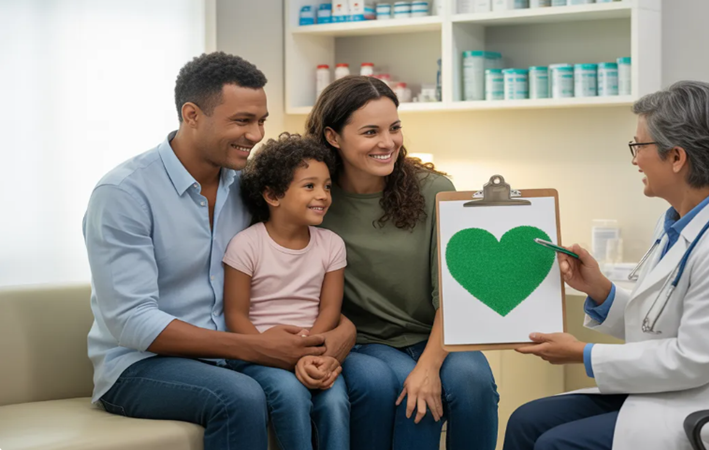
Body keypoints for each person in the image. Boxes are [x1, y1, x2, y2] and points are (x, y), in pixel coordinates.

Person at [82, 52, 355, 450]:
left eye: (261, 121)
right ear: (192, 115)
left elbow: (289, 273)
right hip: (139, 366)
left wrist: (341, 333)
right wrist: (257, 347)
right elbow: (131, 322)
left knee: (358, 384)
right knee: (242, 396)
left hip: (234, 356)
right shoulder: (124, 194)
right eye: (242, 121)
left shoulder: (246, 187)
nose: (256, 134)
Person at [504, 80, 709, 450]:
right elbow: (656, 327)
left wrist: (583, 355)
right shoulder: (676, 223)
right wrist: (599, 290)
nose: (635, 159)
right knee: (526, 421)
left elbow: (693, 360)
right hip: (673, 391)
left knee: (556, 444)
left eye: (639, 146)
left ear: (677, 157)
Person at [306, 75, 500, 450]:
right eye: (370, 132)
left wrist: (428, 366)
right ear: (333, 137)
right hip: (365, 343)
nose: (388, 142)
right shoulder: (317, 199)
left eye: (394, 128)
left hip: (438, 335)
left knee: (473, 382)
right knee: (405, 393)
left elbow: (453, 291)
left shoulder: (435, 189)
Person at [223, 133, 349, 450]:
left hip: (315, 351)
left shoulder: (331, 244)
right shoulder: (246, 244)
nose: (322, 195)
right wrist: (271, 353)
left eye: (327, 186)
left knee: (335, 402)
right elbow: (235, 315)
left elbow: (330, 311)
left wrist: (307, 352)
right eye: (309, 186)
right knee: (291, 394)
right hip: (257, 354)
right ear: (273, 195)